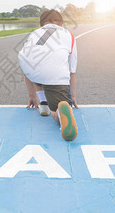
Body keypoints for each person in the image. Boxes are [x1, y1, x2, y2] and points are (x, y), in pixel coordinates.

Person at [18, 9, 78, 141]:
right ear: (62, 25)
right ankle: (58, 115)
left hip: (30, 70)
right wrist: (71, 96)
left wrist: (31, 95)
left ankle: (42, 102)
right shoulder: (68, 34)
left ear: (41, 26)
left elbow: (27, 60)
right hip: (53, 75)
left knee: (34, 65)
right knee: (59, 106)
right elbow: (72, 70)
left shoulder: (34, 34)